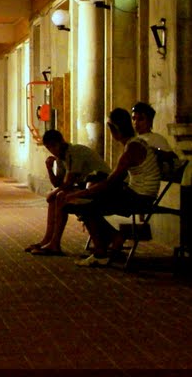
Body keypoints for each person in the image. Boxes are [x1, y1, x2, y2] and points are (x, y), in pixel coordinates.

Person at [58, 108, 163, 267]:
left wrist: (81, 193)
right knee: (84, 202)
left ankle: (101, 251)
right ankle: (114, 237)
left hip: (139, 198)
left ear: (114, 130)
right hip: (136, 193)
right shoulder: (134, 144)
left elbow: (111, 182)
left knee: (85, 206)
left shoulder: (132, 148)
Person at [25, 130, 110, 256]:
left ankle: (55, 243)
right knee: (57, 196)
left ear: (61, 142)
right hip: (86, 187)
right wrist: (49, 168)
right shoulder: (61, 158)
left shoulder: (75, 152)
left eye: (54, 146)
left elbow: (69, 182)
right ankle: (47, 240)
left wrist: (54, 192)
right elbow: (58, 183)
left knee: (60, 196)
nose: (52, 150)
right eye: (49, 147)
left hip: (100, 187)